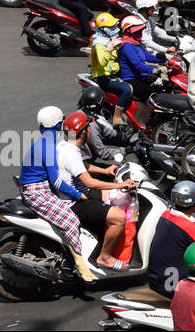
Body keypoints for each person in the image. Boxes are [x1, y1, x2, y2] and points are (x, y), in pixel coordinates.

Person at [19, 106, 95, 281]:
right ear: (58, 124)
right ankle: (80, 264)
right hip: (37, 192)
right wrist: (78, 195)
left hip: (37, 187)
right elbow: (57, 181)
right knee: (71, 221)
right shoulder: (48, 146)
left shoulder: (44, 141)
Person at [57, 112, 138, 270]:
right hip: (76, 202)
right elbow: (90, 182)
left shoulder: (65, 145)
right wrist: (120, 185)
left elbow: (82, 166)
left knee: (119, 197)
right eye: (88, 127)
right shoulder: (72, 153)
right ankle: (105, 257)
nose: (91, 130)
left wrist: (105, 171)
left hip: (75, 193)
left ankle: (103, 236)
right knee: (120, 217)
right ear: (83, 132)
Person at [90, 13, 133, 125]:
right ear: (103, 29)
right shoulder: (100, 43)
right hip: (104, 77)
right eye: (111, 27)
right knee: (127, 89)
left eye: (115, 26)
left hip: (115, 73)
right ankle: (117, 117)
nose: (115, 29)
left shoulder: (110, 38)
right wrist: (110, 48)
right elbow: (103, 62)